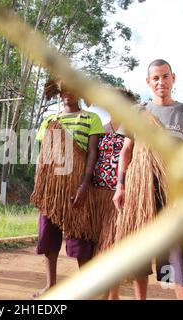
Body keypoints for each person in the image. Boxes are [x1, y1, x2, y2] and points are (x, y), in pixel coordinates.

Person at [113, 59, 183, 300]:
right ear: (148, 82)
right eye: (155, 78)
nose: (160, 82)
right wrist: (120, 186)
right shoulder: (138, 113)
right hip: (140, 189)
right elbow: (126, 151)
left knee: (177, 250)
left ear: (173, 77)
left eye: (165, 76)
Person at [30, 77, 104, 298]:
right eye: (64, 90)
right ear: (59, 93)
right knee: (48, 237)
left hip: (76, 186)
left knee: (81, 237)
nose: (68, 93)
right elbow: (43, 156)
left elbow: (92, 154)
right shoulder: (50, 120)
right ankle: (51, 284)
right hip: (51, 188)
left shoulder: (91, 118)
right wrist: (40, 186)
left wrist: (84, 184)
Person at [91, 88, 138, 300]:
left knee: (115, 244)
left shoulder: (134, 129)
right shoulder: (101, 128)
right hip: (99, 192)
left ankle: (114, 294)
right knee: (100, 245)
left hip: (122, 194)